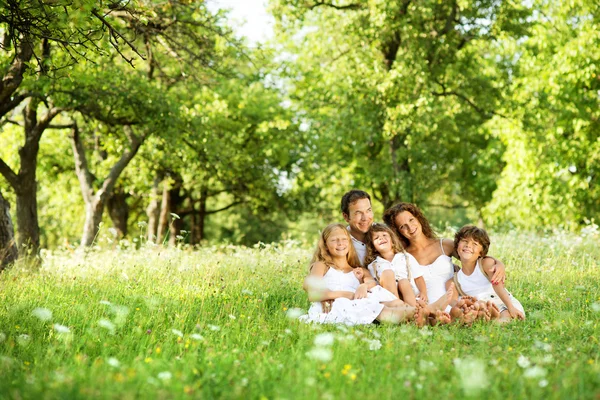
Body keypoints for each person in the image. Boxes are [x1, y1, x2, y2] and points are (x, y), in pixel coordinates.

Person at [299, 224, 454, 326]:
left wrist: (363, 285)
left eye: (343, 239)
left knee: (393, 303)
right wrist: (344, 294)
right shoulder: (322, 265)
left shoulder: (357, 269)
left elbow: (372, 284)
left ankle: (428, 316)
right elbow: (313, 293)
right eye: (334, 240)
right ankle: (427, 312)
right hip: (339, 306)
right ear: (325, 245)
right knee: (381, 309)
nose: (340, 243)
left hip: (359, 302)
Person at [383, 202, 506, 305]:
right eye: (403, 226)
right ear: (398, 232)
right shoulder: (403, 257)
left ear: (418, 219)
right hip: (426, 306)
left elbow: (473, 256)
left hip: (454, 303)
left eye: (411, 220)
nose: (410, 227)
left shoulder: (444, 245)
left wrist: (498, 263)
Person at [451, 225, 525, 322]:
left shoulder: (485, 263)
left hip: (501, 302)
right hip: (479, 307)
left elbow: (499, 287)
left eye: (475, 244)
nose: (468, 245)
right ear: (457, 247)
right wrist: (466, 304)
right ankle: (489, 319)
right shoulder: (455, 280)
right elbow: (454, 302)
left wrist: (510, 307)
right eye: (465, 241)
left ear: (481, 252)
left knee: (505, 316)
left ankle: (496, 319)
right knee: (476, 310)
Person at [364, 223, 427, 306]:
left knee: (404, 282)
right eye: (376, 238)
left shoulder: (406, 257)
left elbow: (418, 277)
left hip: (410, 295)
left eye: (384, 235)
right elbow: (375, 285)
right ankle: (399, 309)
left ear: (392, 241)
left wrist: (423, 292)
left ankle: (412, 311)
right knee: (388, 274)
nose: (381, 238)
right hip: (390, 298)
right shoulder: (373, 266)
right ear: (373, 247)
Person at [341, 190, 374, 266]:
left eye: (368, 210)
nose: (365, 218)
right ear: (346, 217)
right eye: (358, 212)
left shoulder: (385, 234)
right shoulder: (340, 243)